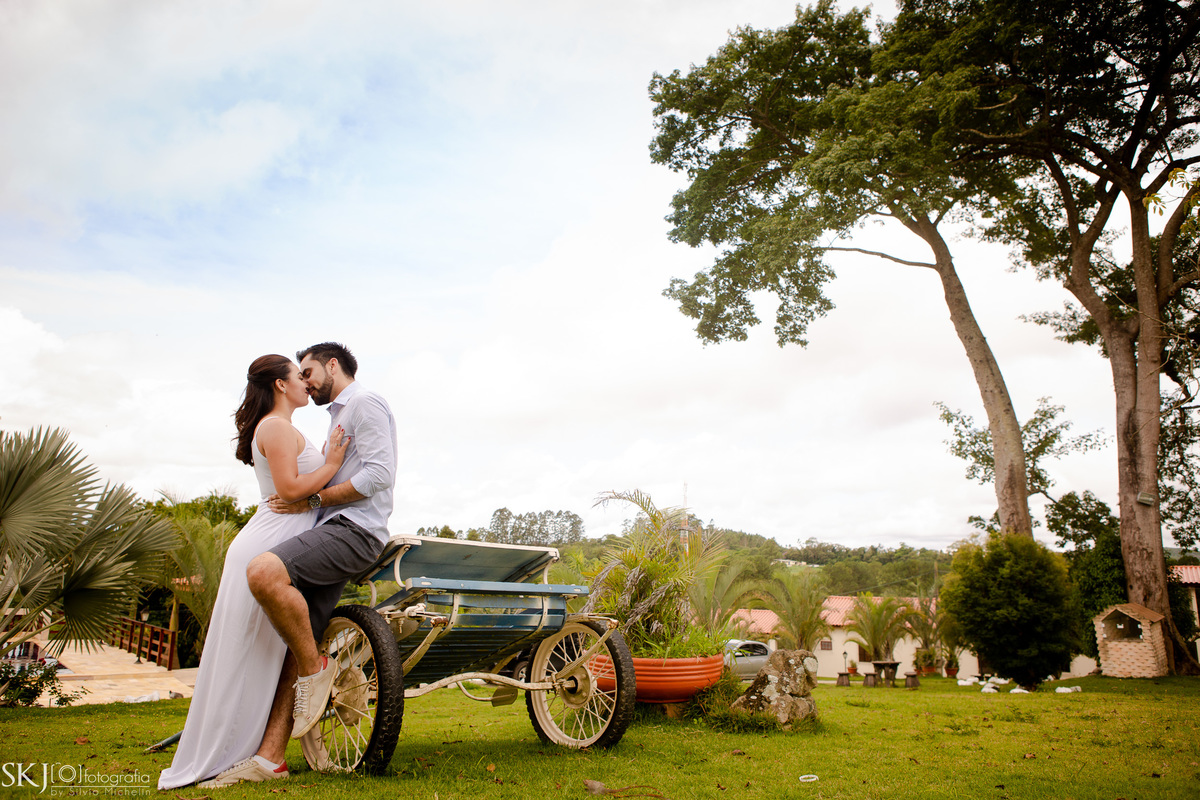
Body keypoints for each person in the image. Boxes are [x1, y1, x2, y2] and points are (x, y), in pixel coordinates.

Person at [200, 342, 397, 788]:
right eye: (299, 376)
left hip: (353, 530)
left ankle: (316, 670)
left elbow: (380, 476)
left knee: (263, 573)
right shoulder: (334, 418)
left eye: (309, 372)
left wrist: (314, 499)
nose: (305, 382)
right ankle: (271, 757)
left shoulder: (364, 403)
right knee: (300, 634)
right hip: (329, 531)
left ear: (332, 365)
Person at [158, 354, 349, 790]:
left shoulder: (285, 427)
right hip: (267, 541)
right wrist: (334, 464)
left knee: (261, 652)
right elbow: (290, 490)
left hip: (278, 538)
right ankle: (225, 753)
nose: (306, 383)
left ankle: (249, 750)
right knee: (245, 651)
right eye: (298, 376)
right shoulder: (275, 426)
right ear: (281, 385)